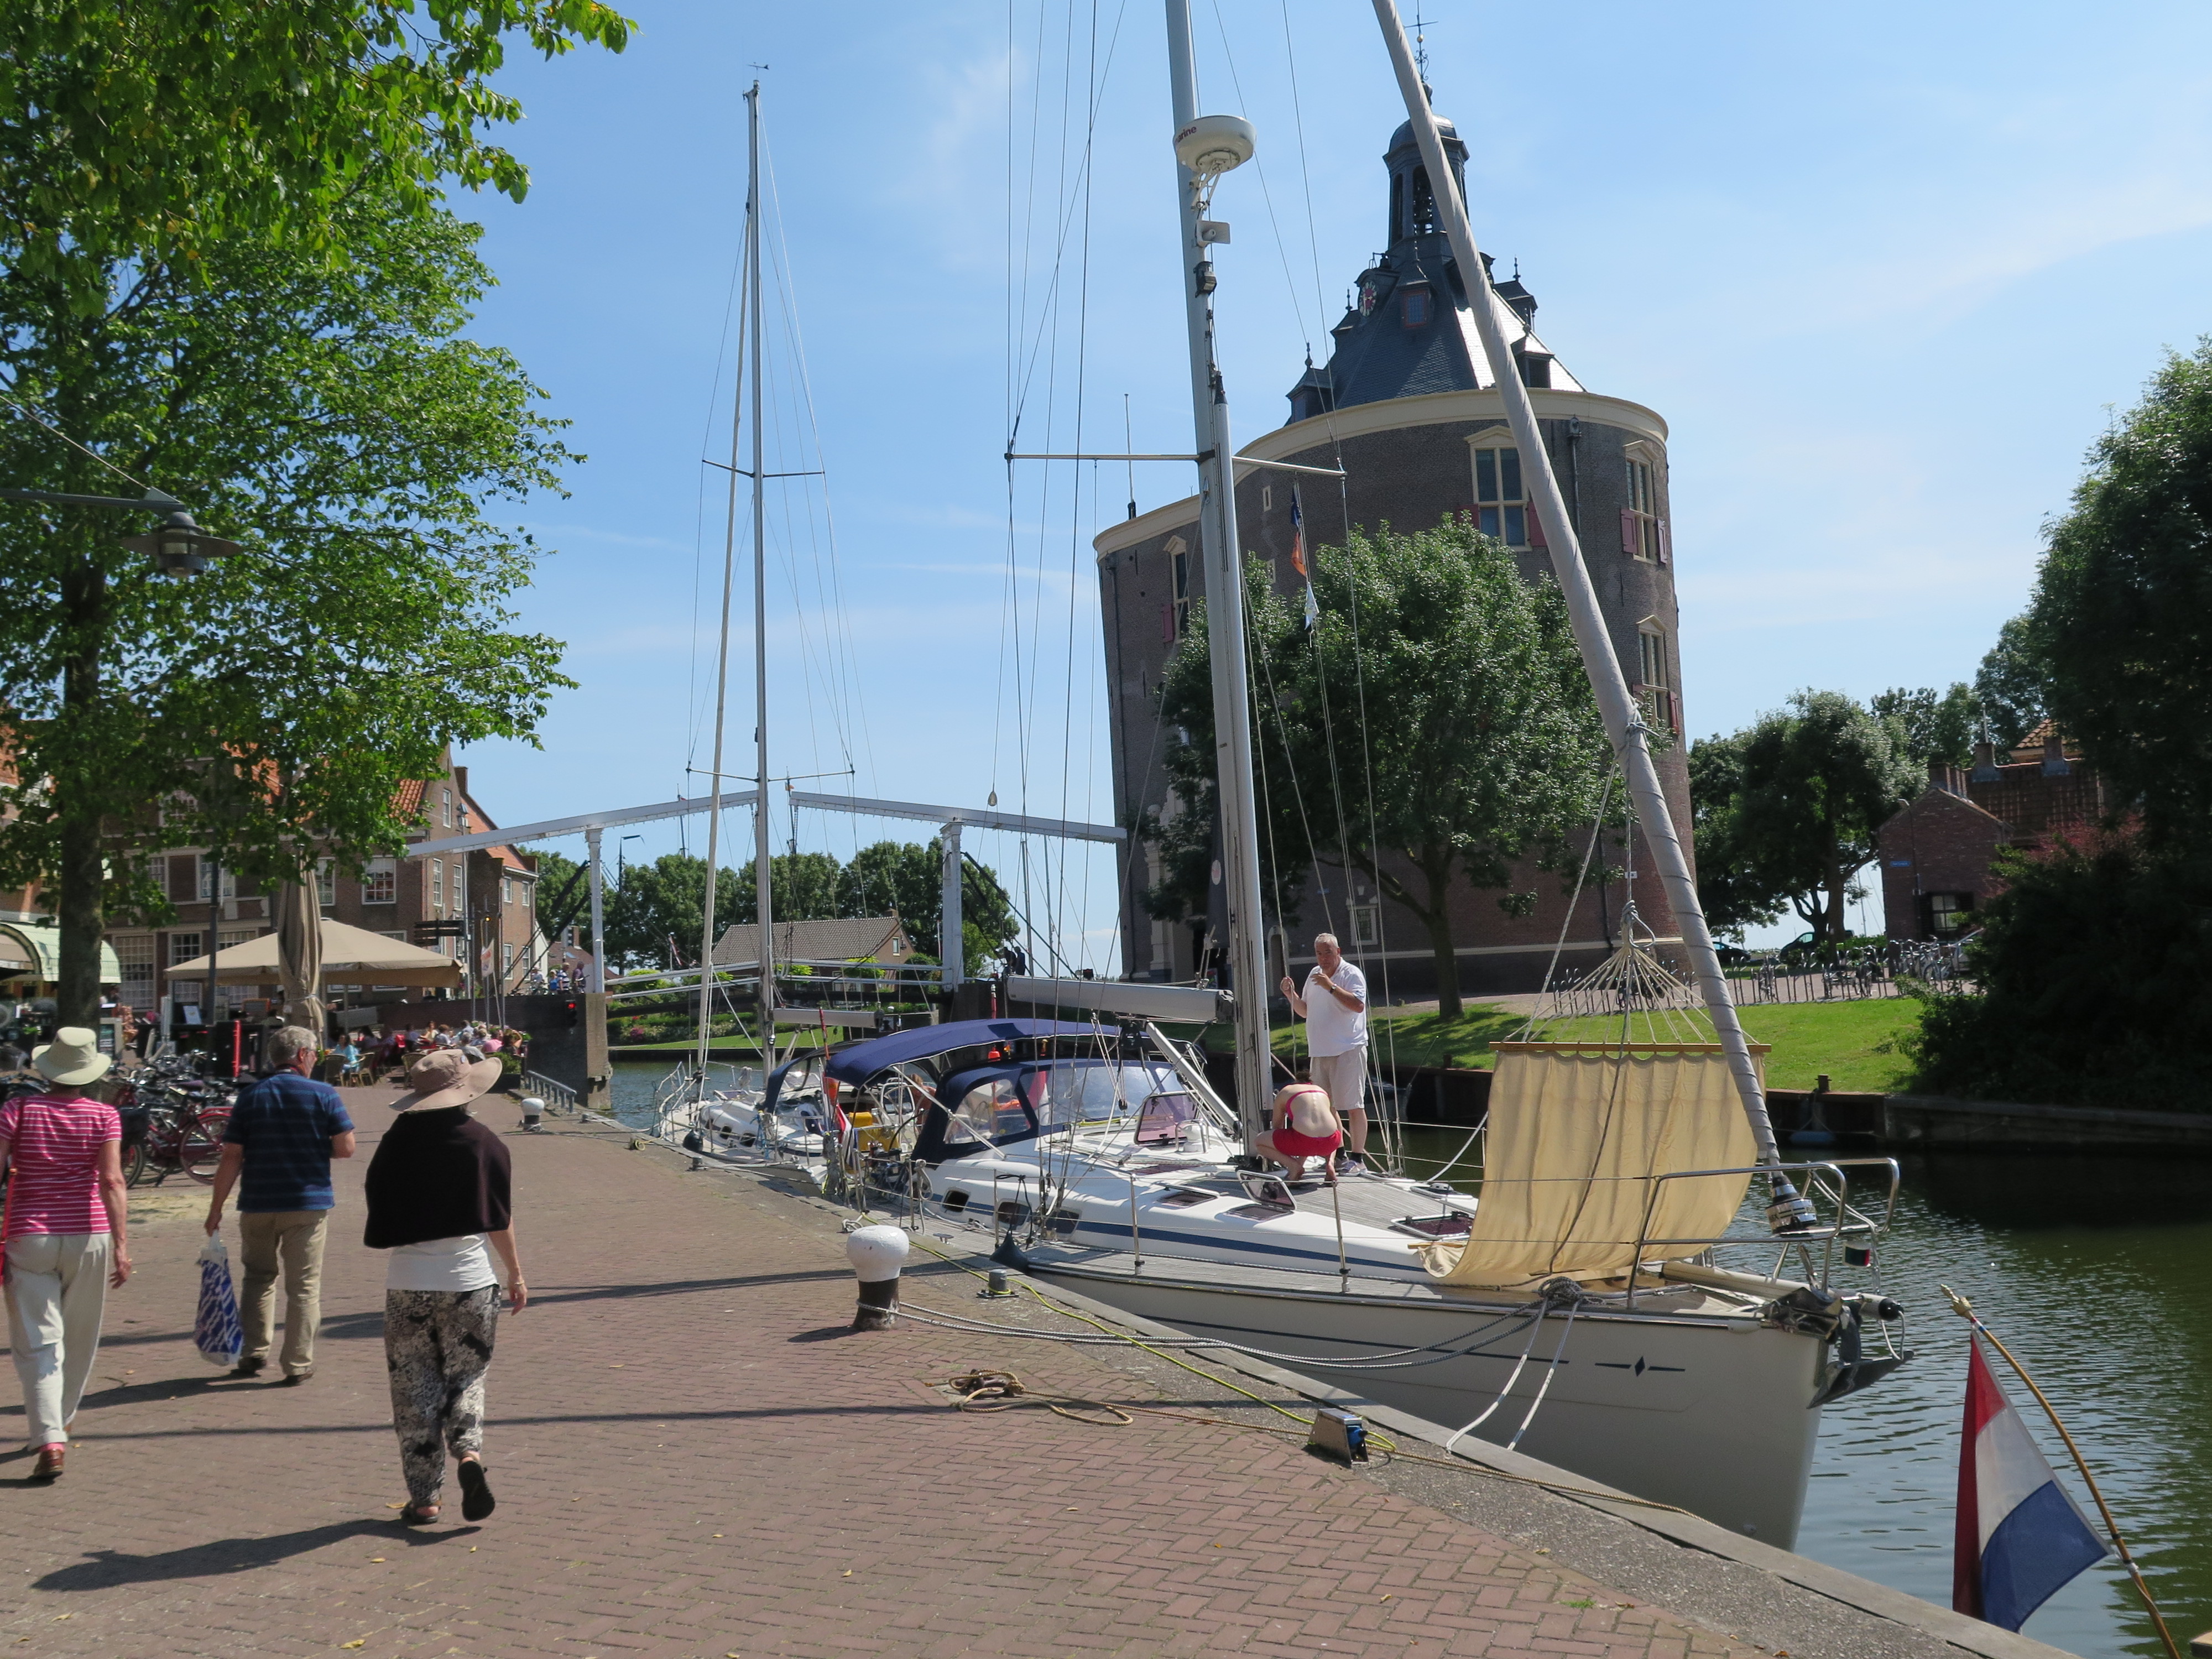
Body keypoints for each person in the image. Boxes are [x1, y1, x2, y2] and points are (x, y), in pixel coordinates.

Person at [364, 1048, 526, 1527]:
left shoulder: (396, 1144)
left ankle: (425, 1499)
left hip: (408, 1281)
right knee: (468, 1376)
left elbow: (377, 1200)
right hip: (471, 1281)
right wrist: (515, 1273)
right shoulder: (485, 1144)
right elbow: (499, 1219)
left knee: (414, 1390)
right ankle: (470, 1455)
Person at [0, 1027, 129, 1480]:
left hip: (29, 1234)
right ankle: (62, 1422)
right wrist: (122, 1245)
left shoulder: (17, 1109)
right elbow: (112, 1181)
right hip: (90, 1233)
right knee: (80, 1336)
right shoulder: (105, 1116)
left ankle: (50, 1437)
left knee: (38, 1344)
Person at [205, 1026, 357, 1383]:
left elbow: (231, 1156)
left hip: (257, 1203)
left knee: (258, 1278)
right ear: (303, 1055)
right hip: (307, 1203)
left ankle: (254, 1352)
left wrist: (216, 1209)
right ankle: (297, 1363)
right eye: (315, 1054)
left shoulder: (251, 1096)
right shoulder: (323, 1094)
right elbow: (347, 1148)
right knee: (303, 1287)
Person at [1279, 931, 1370, 1170]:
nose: (1323, 958)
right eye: (1319, 953)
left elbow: (1358, 1006)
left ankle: (1358, 1160)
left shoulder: (1351, 974)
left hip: (1348, 1048)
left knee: (1353, 1105)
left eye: (1328, 953)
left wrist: (1331, 987)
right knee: (1325, 1106)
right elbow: (1305, 1011)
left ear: (1338, 952)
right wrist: (1291, 995)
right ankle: (1338, 1155)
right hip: (1320, 1051)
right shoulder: (1313, 974)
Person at [1251, 1079, 1341, 1185]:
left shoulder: (1287, 1091)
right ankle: (1330, 1163)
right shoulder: (1322, 1091)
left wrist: (1288, 1160)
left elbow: (1277, 1127)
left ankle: (1294, 1167)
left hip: (1303, 1141)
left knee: (1259, 1141)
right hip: (1330, 1144)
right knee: (1325, 1133)